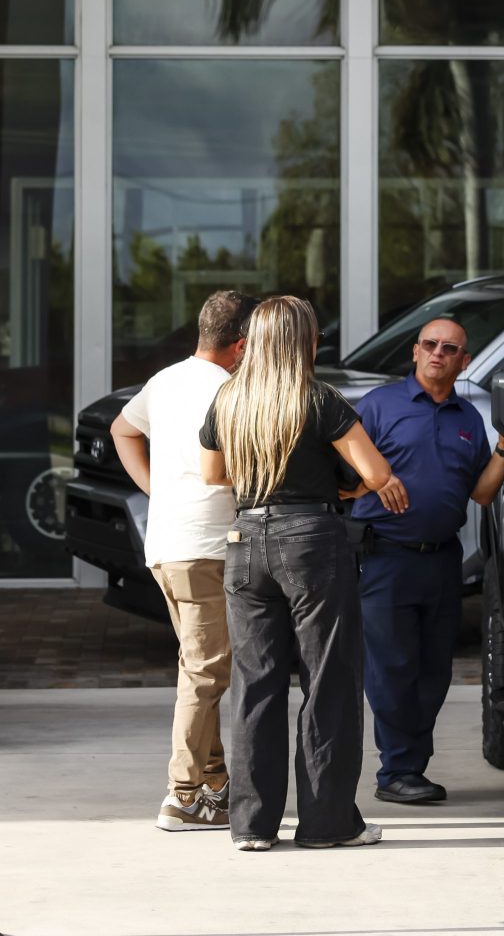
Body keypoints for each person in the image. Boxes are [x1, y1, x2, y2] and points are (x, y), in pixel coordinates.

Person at [199, 295, 410, 852]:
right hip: (312, 541)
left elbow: (211, 472)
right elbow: (375, 470)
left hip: (246, 541)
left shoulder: (230, 398)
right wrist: (350, 487)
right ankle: (327, 822)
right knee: (328, 682)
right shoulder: (318, 399)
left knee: (255, 683)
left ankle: (250, 825)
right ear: (304, 341)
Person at [350, 316, 504, 803]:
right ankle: (397, 771)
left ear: (464, 361)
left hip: (442, 560)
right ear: (414, 352)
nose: (438, 353)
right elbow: (342, 479)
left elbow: (481, 493)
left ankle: (411, 765)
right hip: (384, 556)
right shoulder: (376, 407)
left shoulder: (468, 420)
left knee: (435, 671)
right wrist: (373, 481)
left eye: (449, 348)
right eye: (429, 345)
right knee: (392, 668)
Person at [111, 290, 258, 831]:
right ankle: (182, 794)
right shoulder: (231, 389)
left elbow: (121, 431)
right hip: (208, 546)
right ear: (241, 345)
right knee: (205, 671)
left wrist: (157, 491)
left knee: (201, 666)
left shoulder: (165, 379)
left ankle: (215, 786)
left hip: (167, 544)